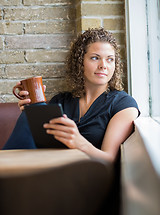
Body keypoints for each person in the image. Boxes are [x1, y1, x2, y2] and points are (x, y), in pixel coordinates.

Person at [3, 28, 140, 163]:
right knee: (29, 115)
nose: (103, 65)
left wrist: (78, 142)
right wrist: (32, 111)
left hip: (85, 175)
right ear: (80, 62)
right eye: (95, 58)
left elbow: (109, 160)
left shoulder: (123, 104)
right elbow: (39, 144)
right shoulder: (61, 101)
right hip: (49, 167)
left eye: (110, 59)